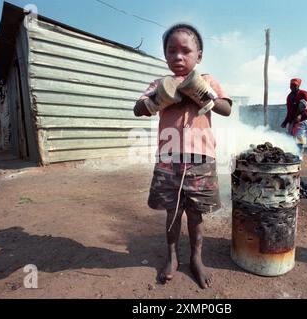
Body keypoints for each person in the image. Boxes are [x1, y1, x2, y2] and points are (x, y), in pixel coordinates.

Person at [133, 23, 232, 289]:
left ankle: (196, 259)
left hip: (201, 159)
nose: (178, 56)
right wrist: (157, 100)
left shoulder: (207, 80)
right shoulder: (159, 84)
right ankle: (173, 257)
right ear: (165, 55)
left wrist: (202, 94)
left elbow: (226, 109)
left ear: (199, 55)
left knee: (196, 214)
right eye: (171, 51)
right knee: (172, 212)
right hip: (169, 159)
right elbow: (138, 108)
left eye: (185, 51)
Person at [281, 78, 307, 157]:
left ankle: (299, 156)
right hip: (292, 122)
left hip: (302, 121)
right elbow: (289, 111)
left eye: (294, 85)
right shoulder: (289, 96)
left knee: (299, 138)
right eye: (291, 85)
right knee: (289, 140)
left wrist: (301, 115)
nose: (292, 87)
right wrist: (285, 122)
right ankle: (291, 156)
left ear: (298, 86)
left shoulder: (303, 93)